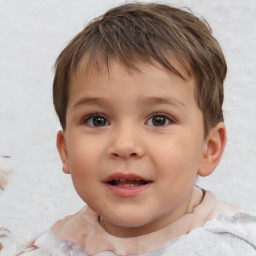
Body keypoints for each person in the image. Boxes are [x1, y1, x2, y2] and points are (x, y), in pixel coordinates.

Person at [1, 2, 255, 255]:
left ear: (208, 150)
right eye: (97, 120)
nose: (124, 145)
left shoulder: (232, 245)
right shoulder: (52, 247)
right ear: (66, 150)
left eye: (159, 120)